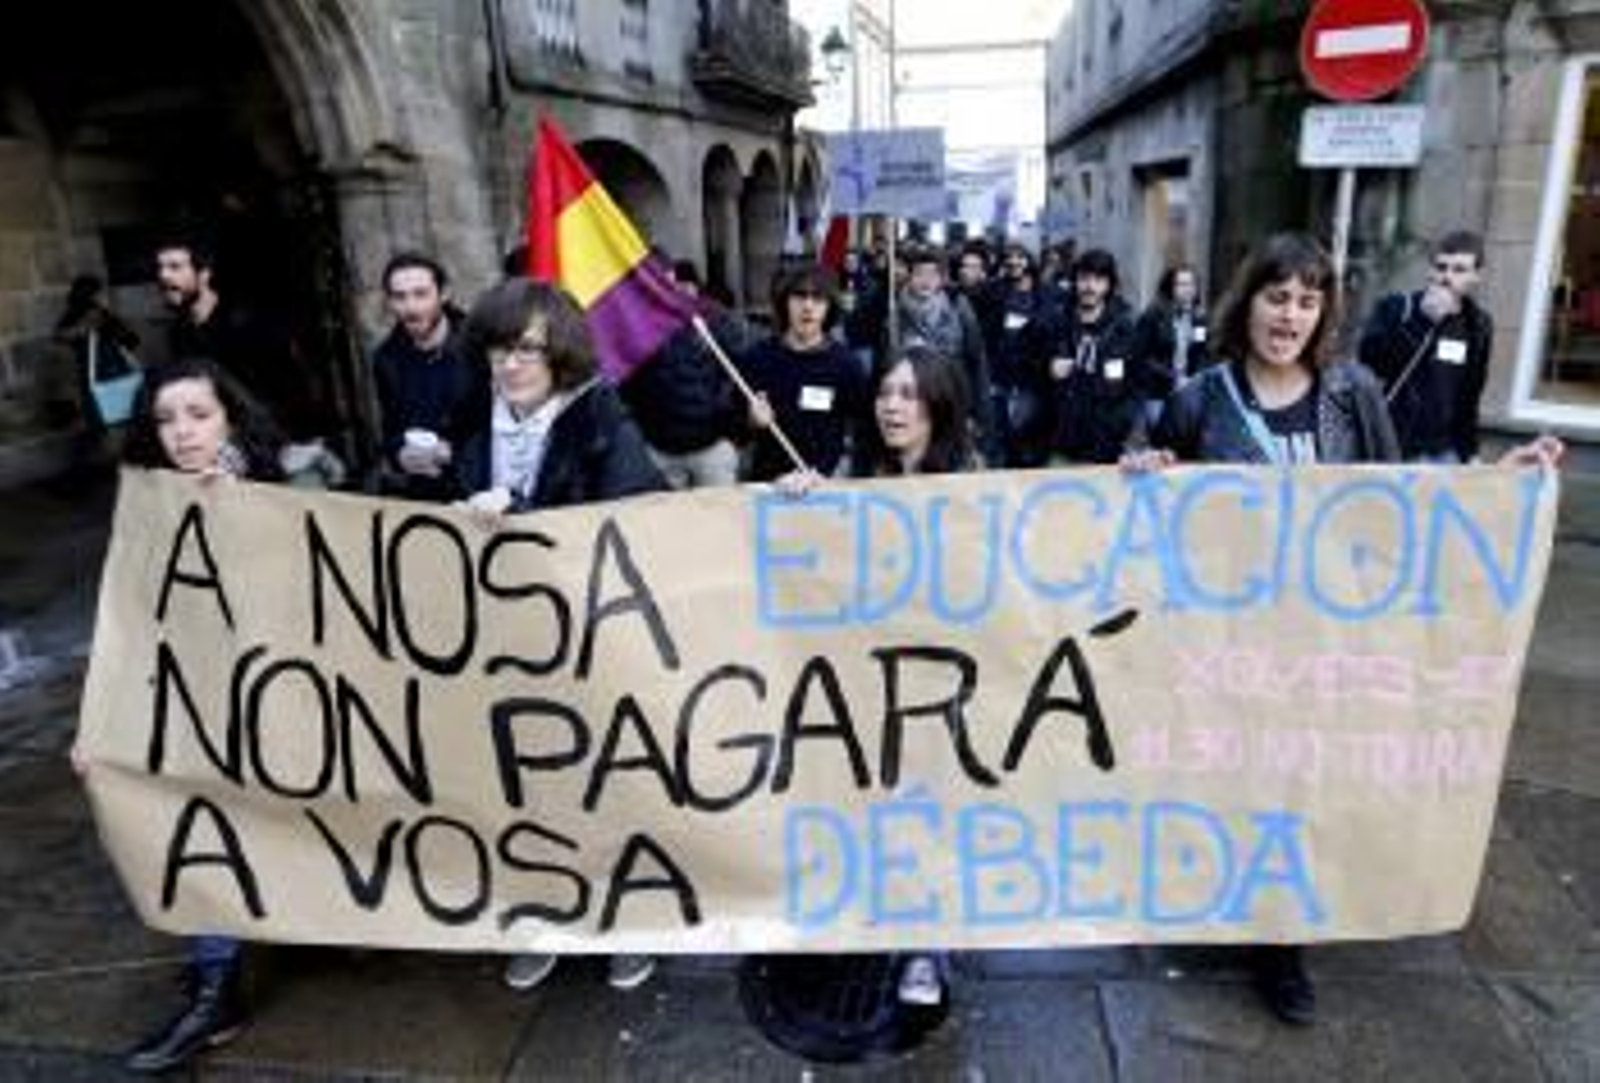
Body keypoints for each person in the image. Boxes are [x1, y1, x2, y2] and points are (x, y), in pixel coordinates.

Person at [1124, 231, 1564, 1026]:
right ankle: (1232, 903)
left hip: (1329, 640)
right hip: (1232, 639)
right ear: (1246, 301)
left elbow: (1404, 505)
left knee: (1301, 783)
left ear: (1322, 311)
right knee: (1240, 778)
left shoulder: (1352, 391)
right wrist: (1145, 469)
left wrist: (1503, 484)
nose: (1288, 314)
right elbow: (1152, 528)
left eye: (1305, 299)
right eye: (1274, 295)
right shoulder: (1201, 399)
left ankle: (1281, 945)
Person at [747, 344, 975, 1062]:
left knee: (931, 815)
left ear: (937, 404)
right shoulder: (856, 473)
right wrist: (802, 504)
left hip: (940, 684)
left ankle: (924, 953)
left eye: (909, 394)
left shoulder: (973, 480)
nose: (893, 405)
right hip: (865, 680)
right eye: (885, 392)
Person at [451, 278, 665, 993]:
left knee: (604, 785)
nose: (509, 364)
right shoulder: (474, 423)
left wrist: (522, 509)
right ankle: (545, 916)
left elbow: (635, 523)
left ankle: (627, 923)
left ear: (561, 356)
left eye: (527, 350)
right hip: (505, 645)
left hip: (590, 646)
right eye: (499, 349)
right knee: (525, 789)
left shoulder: (604, 420)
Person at [108, 357, 287, 1073]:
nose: (182, 432)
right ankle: (219, 974)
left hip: (269, 698)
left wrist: (239, 506)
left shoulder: (268, 490)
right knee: (193, 823)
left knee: (216, 823)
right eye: (166, 418)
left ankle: (221, 979)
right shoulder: (150, 500)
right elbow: (129, 613)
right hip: (191, 696)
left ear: (230, 418)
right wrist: (102, 722)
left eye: (198, 414)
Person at [155, 232, 320, 441]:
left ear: (204, 274)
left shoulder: (248, 322)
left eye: (175, 267)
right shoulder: (180, 332)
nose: (163, 276)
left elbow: (291, 391)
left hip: (274, 441)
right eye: (160, 267)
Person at [1357, 230, 1494, 463]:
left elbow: (1470, 395)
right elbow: (1369, 359)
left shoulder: (1478, 325)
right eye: (1441, 267)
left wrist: (1470, 452)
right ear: (1430, 271)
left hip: (1445, 451)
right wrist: (1422, 320)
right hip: (1393, 446)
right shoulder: (1397, 308)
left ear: (1476, 276)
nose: (1447, 277)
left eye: (1459, 270)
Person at [619, 259, 753, 489]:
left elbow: (744, 374)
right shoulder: (640, 327)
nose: (677, 291)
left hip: (712, 447)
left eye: (684, 283)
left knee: (721, 518)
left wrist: (735, 434)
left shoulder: (716, 319)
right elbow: (627, 385)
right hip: (660, 450)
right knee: (665, 521)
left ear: (694, 287)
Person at [371, 251, 484, 500]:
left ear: (443, 294)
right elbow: (391, 431)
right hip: (426, 494)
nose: (410, 307)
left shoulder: (480, 345)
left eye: (421, 294)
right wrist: (399, 454)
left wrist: (454, 453)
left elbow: (508, 425)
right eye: (399, 297)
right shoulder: (386, 359)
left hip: (483, 490)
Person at [738, 265, 868, 482]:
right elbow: (733, 424)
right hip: (768, 482)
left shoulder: (847, 365)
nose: (808, 306)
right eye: (799, 296)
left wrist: (840, 470)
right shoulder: (757, 357)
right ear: (785, 303)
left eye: (818, 298)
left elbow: (862, 427)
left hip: (822, 483)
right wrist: (751, 420)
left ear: (829, 307)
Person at [1029, 248, 1143, 464]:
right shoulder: (1055, 323)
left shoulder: (1125, 329)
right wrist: (1047, 369)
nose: (1090, 287)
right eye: (1084, 279)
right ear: (1075, 282)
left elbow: (1136, 385)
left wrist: (1121, 425)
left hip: (1107, 446)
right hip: (1059, 442)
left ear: (1108, 285)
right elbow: (1029, 370)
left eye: (1098, 280)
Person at [891, 246, 992, 448]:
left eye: (933, 274)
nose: (926, 281)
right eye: (919, 273)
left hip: (952, 399)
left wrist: (980, 412)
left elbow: (977, 359)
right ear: (909, 277)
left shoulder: (958, 305)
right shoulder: (895, 313)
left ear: (941, 279)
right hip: (912, 403)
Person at [1132, 262, 1211, 424]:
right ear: (1170, 287)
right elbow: (1140, 355)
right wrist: (1173, 377)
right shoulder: (1153, 315)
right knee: (1160, 439)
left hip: (1187, 392)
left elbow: (1201, 352)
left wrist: (1196, 378)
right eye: (1181, 284)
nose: (1187, 289)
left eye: (1191, 284)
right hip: (1158, 392)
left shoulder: (1199, 318)